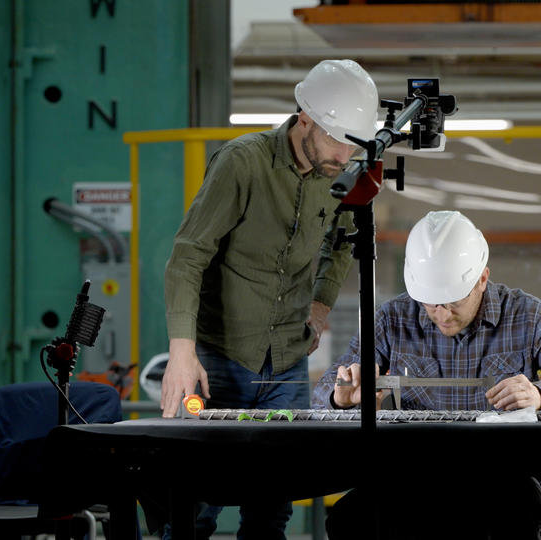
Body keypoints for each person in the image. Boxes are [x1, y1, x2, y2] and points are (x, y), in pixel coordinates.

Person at [160, 59, 379, 539]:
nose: (345, 155)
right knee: (196, 505)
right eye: (337, 138)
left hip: (286, 365)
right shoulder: (242, 163)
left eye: (354, 143)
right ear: (304, 118)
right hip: (219, 358)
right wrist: (182, 352)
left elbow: (342, 241)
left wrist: (321, 303)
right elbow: (187, 256)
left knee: (272, 508)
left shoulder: (342, 172)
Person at [311, 210, 541, 540]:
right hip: (412, 476)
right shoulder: (392, 319)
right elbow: (326, 387)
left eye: (453, 302)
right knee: (350, 520)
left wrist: (540, 395)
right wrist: (341, 397)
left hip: (502, 477)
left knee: (516, 508)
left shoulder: (527, 314)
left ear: (482, 278)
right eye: (431, 304)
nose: (443, 314)